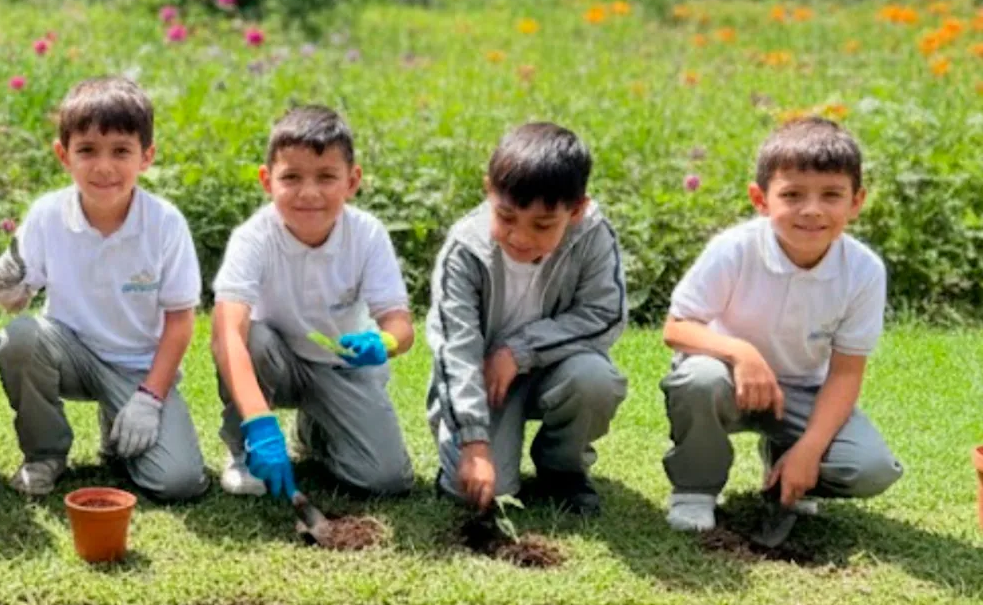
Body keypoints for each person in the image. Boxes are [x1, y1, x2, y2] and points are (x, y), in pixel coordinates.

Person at [659, 117, 901, 533]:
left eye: (831, 195)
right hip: (725, 379)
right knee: (698, 379)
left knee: (869, 467)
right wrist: (741, 353)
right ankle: (695, 489)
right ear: (761, 199)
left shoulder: (864, 271)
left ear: (856, 202)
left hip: (801, 392)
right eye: (792, 195)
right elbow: (676, 328)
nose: (812, 210)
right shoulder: (733, 250)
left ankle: (786, 466)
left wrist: (810, 449)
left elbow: (846, 372)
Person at [0, 76, 207, 501]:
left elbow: (181, 322)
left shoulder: (165, 223)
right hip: (69, 352)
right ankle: (45, 454)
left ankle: (118, 427)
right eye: (87, 150)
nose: (103, 167)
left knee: (177, 482)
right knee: (19, 339)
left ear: (146, 157)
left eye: (121, 151)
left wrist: (150, 398)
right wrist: (8, 288)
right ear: (63, 155)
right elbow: (17, 300)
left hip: (138, 368)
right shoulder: (47, 215)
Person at [212, 105, 415, 500]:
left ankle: (316, 432)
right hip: (276, 361)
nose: (309, 193)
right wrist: (259, 423)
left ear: (352, 181)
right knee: (250, 337)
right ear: (267, 180)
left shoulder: (368, 235)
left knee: (386, 481)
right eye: (291, 177)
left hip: (341, 368)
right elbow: (226, 334)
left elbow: (401, 324)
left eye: (326, 177)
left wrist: (385, 342)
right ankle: (243, 451)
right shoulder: (253, 238)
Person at [426, 122, 628, 516]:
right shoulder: (464, 250)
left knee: (595, 379)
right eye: (506, 217)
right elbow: (456, 352)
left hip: (556, 369)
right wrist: (473, 444)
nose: (520, 237)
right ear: (489, 191)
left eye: (542, 225)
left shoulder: (594, 235)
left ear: (576, 210)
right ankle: (479, 447)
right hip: (483, 379)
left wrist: (519, 352)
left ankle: (562, 469)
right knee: (473, 491)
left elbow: (605, 314)